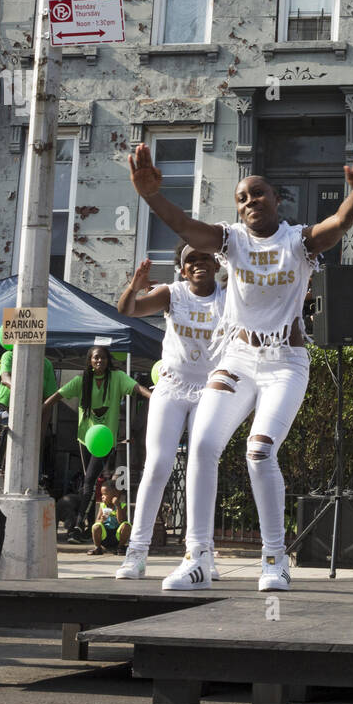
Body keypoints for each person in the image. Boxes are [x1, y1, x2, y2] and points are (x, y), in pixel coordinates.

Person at [128, 138, 353, 592]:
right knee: (202, 447)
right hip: (239, 358)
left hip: (285, 362)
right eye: (242, 197)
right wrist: (150, 196)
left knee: (259, 452)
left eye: (258, 193)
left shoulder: (298, 241)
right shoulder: (231, 241)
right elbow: (186, 225)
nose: (249, 202)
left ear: (277, 199)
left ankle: (275, 559)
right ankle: (198, 558)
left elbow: (340, 223)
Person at [112, 244, 225, 580]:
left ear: (216, 264)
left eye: (205, 257)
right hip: (173, 387)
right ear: (181, 268)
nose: (198, 263)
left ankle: (202, 553)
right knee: (158, 464)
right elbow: (127, 310)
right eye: (191, 259)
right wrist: (135, 284)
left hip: (211, 390)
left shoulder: (229, 297)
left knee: (202, 465)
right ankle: (136, 553)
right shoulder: (171, 294)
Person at [43, 346, 151, 540]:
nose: (99, 361)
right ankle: (82, 524)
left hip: (105, 441)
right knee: (87, 484)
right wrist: (39, 409)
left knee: (89, 481)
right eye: (95, 358)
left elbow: (136, 388)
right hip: (85, 438)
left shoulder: (117, 378)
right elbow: (58, 395)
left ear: (108, 360)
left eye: (102, 358)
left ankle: (77, 526)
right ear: (90, 361)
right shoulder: (81, 380)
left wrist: (154, 397)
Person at [90, 482, 131, 556]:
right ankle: (98, 547)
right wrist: (102, 520)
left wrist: (117, 506)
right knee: (96, 526)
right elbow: (97, 521)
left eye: (105, 494)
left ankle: (120, 547)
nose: (102, 496)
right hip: (105, 536)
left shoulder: (122, 506)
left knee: (126, 525)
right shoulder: (102, 506)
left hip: (117, 537)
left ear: (115, 495)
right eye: (102, 494)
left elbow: (121, 521)